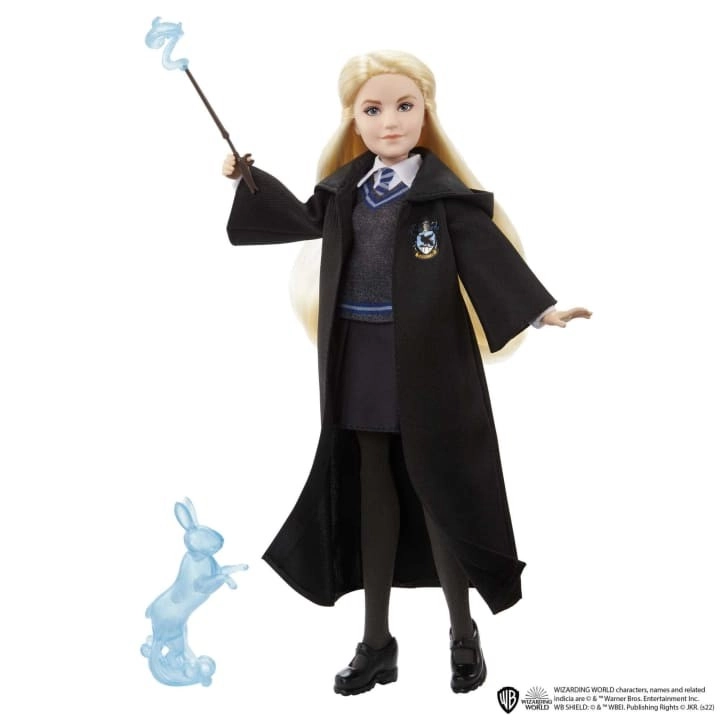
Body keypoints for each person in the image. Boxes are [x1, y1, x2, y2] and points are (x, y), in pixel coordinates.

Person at [223, 50, 591, 695]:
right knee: (372, 489)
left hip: (428, 361)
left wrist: (540, 312)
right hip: (358, 353)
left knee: (437, 490)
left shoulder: (441, 198)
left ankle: (462, 633)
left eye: (403, 106)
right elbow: (298, 220)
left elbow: (486, 258)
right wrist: (247, 180)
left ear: (426, 113)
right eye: (373, 110)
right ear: (352, 119)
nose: (389, 121)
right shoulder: (344, 190)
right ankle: (376, 643)